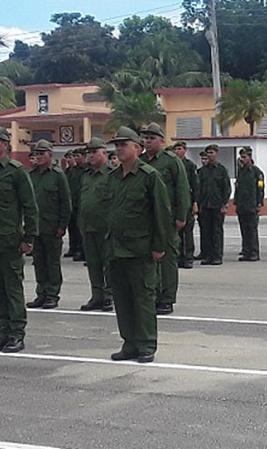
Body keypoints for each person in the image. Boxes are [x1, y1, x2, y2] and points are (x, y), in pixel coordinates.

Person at [105, 127, 169, 363]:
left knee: (143, 299)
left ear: (138, 148)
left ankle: (146, 344)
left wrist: (159, 246)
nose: (119, 148)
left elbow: (162, 213)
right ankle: (129, 343)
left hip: (140, 248)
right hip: (116, 248)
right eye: (116, 145)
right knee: (122, 300)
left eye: (124, 144)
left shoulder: (149, 176)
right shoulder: (113, 177)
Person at [0, 124, 38, 354]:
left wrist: (29, 237)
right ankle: (3, 333)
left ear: (5, 145)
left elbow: (30, 206)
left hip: (9, 241)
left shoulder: (16, 171)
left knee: (12, 290)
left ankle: (16, 334)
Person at [140, 123, 187, 315]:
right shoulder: (141, 161)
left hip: (167, 218)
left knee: (167, 260)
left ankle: (167, 299)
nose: (148, 142)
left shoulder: (171, 161)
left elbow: (182, 188)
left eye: (152, 138)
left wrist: (181, 216)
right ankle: (152, 294)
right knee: (149, 259)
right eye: (145, 138)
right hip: (146, 218)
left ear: (161, 140)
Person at [27, 140, 71, 310]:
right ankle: (41, 293)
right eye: (36, 154)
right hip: (36, 226)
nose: (38, 157)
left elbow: (65, 202)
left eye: (42, 154)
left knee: (52, 263)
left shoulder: (58, 175)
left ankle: (52, 294)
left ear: (50, 155)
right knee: (39, 262)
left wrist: (62, 225)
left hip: (52, 226)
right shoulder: (32, 175)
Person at [79, 137, 114, 311]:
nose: (90, 155)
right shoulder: (87, 175)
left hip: (105, 228)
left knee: (108, 264)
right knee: (93, 264)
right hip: (88, 227)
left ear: (104, 153)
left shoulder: (112, 174)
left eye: (94, 152)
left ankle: (109, 296)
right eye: (88, 152)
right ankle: (97, 296)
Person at [196, 144, 231, 265]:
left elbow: (226, 188)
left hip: (217, 206)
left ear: (217, 154)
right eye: (208, 153)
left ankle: (217, 256)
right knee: (206, 231)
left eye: (212, 153)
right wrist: (198, 204)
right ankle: (208, 255)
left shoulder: (221, 170)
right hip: (205, 205)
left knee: (216, 232)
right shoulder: (202, 171)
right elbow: (198, 189)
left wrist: (224, 204)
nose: (210, 155)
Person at [234, 146, 264, 261]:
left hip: (252, 205)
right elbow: (238, 188)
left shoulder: (256, 172)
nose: (242, 159)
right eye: (241, 157)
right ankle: (246, 251)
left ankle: (254, 252)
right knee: (244, 230)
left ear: (250, 157)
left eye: (244, 157)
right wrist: (236, 202)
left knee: (252, 230)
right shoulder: (241, 171)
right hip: (242, 206)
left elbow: (260, 188)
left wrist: (259, 203)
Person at [173, 141, 199, 268]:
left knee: (188, 233)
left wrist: (195, 202)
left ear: (185, 150)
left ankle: (188, 258)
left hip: (187, 203)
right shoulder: (172, 164)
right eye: (176, 149)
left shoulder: (190, 166)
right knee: (177, 234)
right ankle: (179, 257)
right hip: (175, 203)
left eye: (180, 149)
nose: (177, 151)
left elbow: (195, 185)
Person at [65, 148, 87, 262]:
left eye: (77, 156)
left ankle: (81, 250)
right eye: (74, 156)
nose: (75, 158)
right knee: (72, 227)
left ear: (83, 156)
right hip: (72, 203)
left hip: (81, 203)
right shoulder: (71, 171)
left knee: (80, 229)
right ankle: (73, 247)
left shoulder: (86, 170)